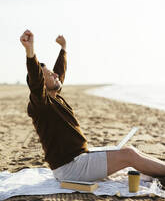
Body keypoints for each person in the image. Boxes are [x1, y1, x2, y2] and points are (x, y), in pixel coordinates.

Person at [20, 29, 165, 187]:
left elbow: (60, 74)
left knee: (129, 149)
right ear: (42, 83)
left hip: (79, 159)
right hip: (70, 168)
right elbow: (36, 80)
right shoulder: (41, 104)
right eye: (50, 75)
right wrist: (30, 50)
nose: (55, 75)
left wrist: (63, 49)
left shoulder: (55, 98)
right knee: (128, 155)